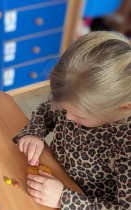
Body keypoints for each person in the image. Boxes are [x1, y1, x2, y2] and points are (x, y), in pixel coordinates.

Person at [13, 31, 131, 209]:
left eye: (79, 116)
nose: (67, 117)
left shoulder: (126, 145)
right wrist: (34, 133)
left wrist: (64, 198)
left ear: (123, 107)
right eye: (64, 109)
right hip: (56, 176)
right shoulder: (76, 101)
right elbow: (47, 111)